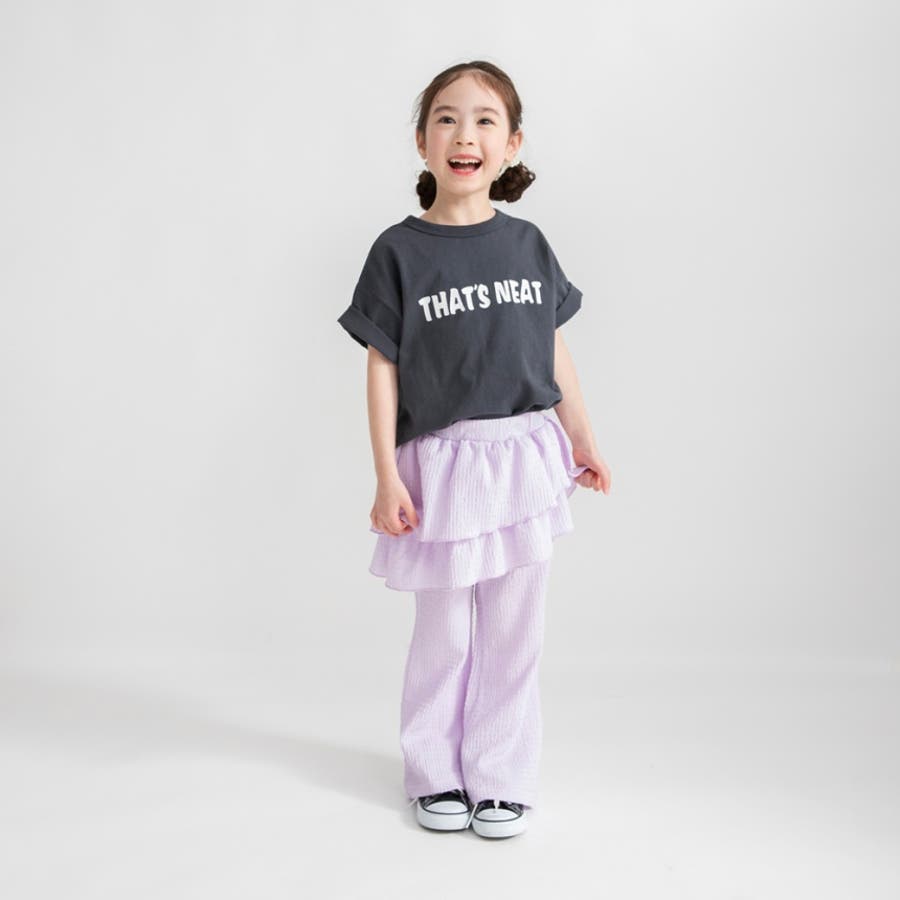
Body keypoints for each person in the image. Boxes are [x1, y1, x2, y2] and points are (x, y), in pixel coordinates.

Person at [336, 60, 612, 839]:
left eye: (486, 120)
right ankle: (433, 773)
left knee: (515, 629)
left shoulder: (528, 245)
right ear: (423, 141)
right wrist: (386, 475)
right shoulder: (399, 251)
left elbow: (551, 349)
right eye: (448, 119)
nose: (466, 135)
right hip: (444, 466)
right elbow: (382, 367)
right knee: (446, 631)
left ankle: (501, 777)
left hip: (525, 458)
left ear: (512, 143)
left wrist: (583, 438)